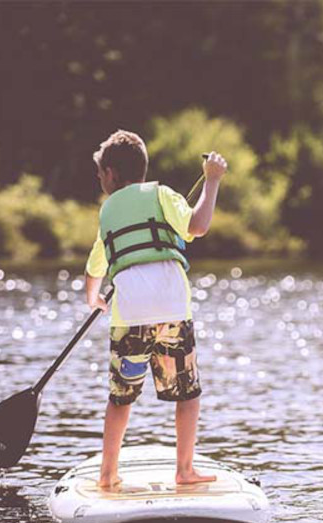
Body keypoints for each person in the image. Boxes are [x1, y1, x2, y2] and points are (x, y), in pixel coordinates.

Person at [84, 129, 227, 488]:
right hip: (172, 310)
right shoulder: (162, 194)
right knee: (187, 394)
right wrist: (211, 182)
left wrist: (93, 298)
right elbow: (198, 225)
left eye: (101, 173)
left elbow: (95, 267)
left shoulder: (107, 211)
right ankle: (184, 470)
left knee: (120, 398)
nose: (100, 179)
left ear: (112, 174)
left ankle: (107, 474)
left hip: (129, 315)